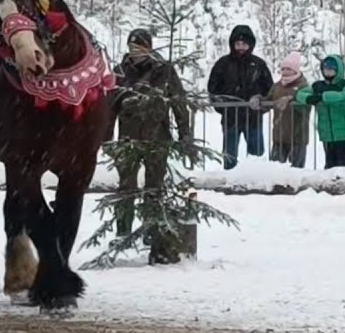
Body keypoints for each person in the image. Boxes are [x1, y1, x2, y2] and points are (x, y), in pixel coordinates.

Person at [111, 28, 191, 241]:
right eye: (131, 47)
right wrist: (107, 137)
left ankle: (150, 229)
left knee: (154, 186)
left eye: (139, 47)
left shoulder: (163, 70)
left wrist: (185, 133)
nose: (134, 52)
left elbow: (179, 101)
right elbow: (109, 105)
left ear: (149, 48)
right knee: (125, 186)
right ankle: (123, 231)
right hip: (128, 137)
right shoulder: (120, 71)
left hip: (158, 135)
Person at [207, 25, 272, 169]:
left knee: (257, 156)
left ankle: (258, 180)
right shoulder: (222, 64)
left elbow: (269, 90)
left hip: (254, 118)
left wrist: (261, 104)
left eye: (244, 44)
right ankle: (229, 180)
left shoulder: (259, 64)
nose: (241, 47)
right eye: (237, 44)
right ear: (232, 44)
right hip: (231, 118)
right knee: (229, 155)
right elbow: (212, 89)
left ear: (250, 44)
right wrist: (223, 107)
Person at [296, 55, 345, 169]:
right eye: (326, 70)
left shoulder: (344, 84)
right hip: (326, 133)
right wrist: (309, 98)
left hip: (344, 132)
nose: (328, 73)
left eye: (331, 70)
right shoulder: (318, 85)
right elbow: (299, 94)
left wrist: (324, 97)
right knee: (330, 165)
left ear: (338, 70)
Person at [265, 52, 311, 168]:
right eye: (283, 69)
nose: (285, 71)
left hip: (297, 136)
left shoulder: (304, 86)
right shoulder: (276, 86)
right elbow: (267, 101)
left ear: (295, 70)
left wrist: (292, 99)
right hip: (279, 135)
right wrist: (258, 100)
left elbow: (307, 104)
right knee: (274, 170)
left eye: (288, 69)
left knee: (296, 171)